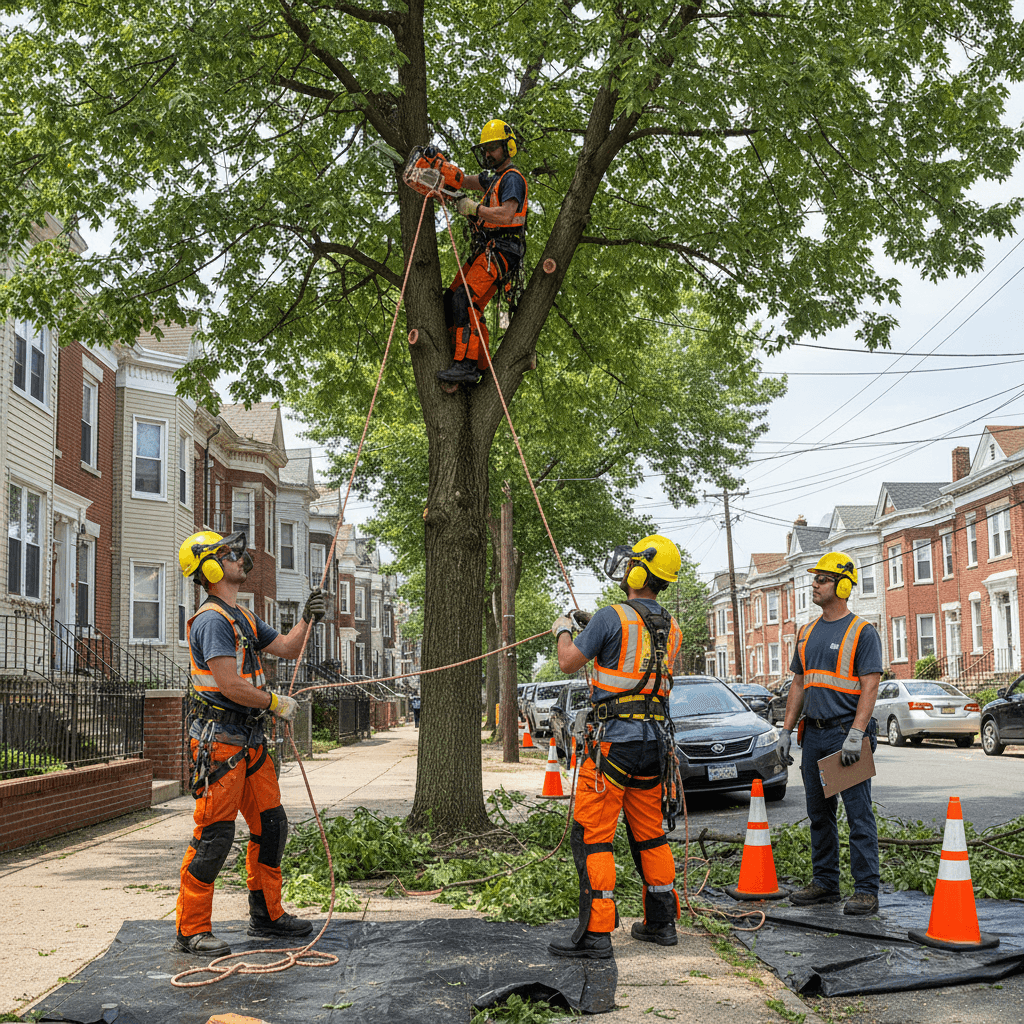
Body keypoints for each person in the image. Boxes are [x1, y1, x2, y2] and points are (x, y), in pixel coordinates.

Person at [174, 529, 327, 956]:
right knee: (215, 836)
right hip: (220, 743)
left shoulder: (240, 616)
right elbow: (228, 684)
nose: (238, 556)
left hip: (250, 739)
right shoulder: (211, 620)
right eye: (226, 553)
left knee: (271, 826)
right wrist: (276, 702)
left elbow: (286, 648)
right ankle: (191, 929)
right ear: (209, 567)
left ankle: (267, 915)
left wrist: (308, 617)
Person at [547, 536, 684, 959]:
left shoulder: (611, 618)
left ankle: (597, 934)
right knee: (649, 835)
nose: (625, 571)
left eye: (631, 566)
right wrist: (596, 628)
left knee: (594, 836)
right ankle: (662, 923)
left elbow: (568, 661)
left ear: (640, 572)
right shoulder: (671, 626)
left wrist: (564, 630)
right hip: (654, 748)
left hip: (613, 747)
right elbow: (635, 654)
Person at [779, 552, 883, 916]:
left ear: (841, 585)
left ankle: (867, 890)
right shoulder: (806, 633)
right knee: (819, 815)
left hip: (844, 735)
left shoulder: (862, 631)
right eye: (815, 578)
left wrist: (856, 734)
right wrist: (785, 731)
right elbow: (798, 684)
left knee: (858, 816)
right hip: (815, 736)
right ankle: (825, 884)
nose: (815, 584)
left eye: (822, 579)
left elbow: (870, 687)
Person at [432, 119, 528, 385]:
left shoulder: (512, 179)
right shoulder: (493, 180)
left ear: (508, 147)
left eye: (493, 148)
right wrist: (439, 171)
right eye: (485, 149)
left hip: (502, 249)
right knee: (451, 300)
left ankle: (466, 364)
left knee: (464, 298)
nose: (488, 154)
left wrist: (474, 209)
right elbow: (464, 181)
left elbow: (507, 215)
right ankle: (482, 364)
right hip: (486, 249)